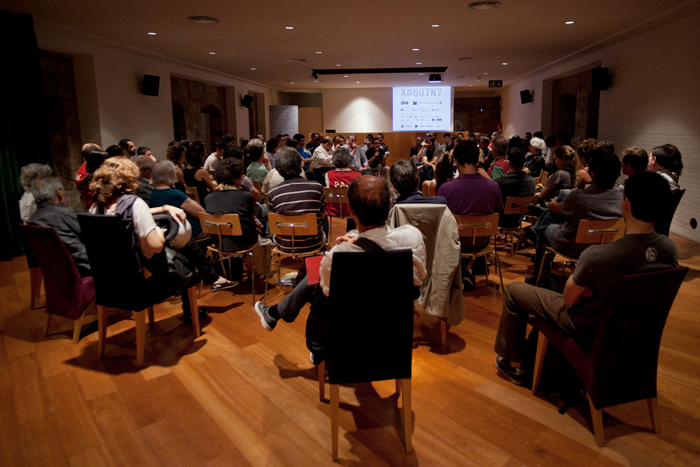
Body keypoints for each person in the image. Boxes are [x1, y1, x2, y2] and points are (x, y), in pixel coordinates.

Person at [494, 171, 679, 385]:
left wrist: (586, 288)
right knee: (559, 284)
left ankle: (513, 364)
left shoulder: (601, 256)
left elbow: (569, 299)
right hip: (633, 330)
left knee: (515, 291)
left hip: (586, 324)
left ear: (626, 204)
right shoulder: (669, 250)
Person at [253, 175, 427, 363]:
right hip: (393, 332)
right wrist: (358, 242)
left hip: (348, 336)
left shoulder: (337, 256)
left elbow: (327, 294)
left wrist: (355, 244)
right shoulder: (413, 237)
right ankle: (276, 313)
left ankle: (289, 322)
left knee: (317, 276)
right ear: (390, 204)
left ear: (350, 210)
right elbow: (415, 277)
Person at [88, 159, 236, 323]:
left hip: (110, 281)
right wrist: (159, 232)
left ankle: (211, 280)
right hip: (142, 282)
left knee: (187, 250)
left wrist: (163, 208)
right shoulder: (135, 204)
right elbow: (157, 247)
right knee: (188, 263)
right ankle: (193, 307)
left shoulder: (95, 207)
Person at [438, 140, 503, 288]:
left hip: (455, 242)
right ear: (477, 161)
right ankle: (468, 269)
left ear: (456, 161)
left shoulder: (446, 189)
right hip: (482, 242)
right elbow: (497, 211)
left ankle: (457, 272)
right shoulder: (494, 187)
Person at [27, 177, 90, 277]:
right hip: (85, 271)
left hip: (59, 276)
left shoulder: (32, 222)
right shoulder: (67, 214)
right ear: (59, 192)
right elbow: (95, 236)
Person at [268, 148, 326, 254]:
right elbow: (322, 215)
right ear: (300, 164)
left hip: (284, 245)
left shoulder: (273, 193)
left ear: (278, 169)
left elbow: (274, 221)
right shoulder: (316, 187)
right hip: (313, 243)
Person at [205, 157, 259, 252]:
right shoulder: (245, 196)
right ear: (235, 179)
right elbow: (252, 216)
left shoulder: (208, 198)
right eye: (241, 176)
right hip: (244, 242)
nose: (242, 178)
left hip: (219, 243)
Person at [149, 160, 209, 241]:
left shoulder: (153, 193)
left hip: (170, 233)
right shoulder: (174, 194)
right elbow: (202, 213)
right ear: (171, 174)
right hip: (194, 232)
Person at [495, 148, 536, 228]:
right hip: (520, 219)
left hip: (500, 220)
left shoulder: (500, 181)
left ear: (509, 163)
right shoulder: (531, 181)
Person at [325, 146, 362, 233]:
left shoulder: (328, 174)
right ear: (348, 160)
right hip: (351, 210)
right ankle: (351, 232)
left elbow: (330, 193)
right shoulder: (357, 175)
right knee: (353, 202)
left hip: (334, 209)